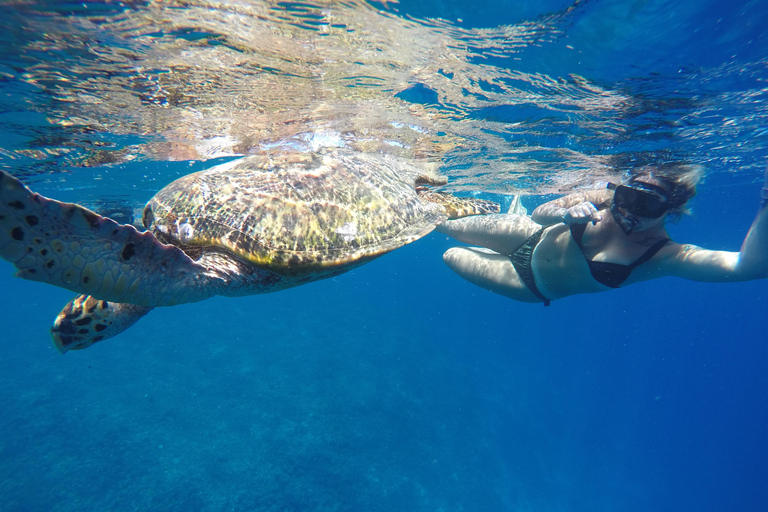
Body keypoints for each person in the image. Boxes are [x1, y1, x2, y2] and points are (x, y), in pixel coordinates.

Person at [435, 165, 768, 305]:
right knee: (440, 222)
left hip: (528, 282)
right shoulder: (599, 198)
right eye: (625, 199)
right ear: (618, 191)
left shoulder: (664, 255)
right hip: (527, 235)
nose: (631, 212)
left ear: (672, 209)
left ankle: (506, 219)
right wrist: (565, 214)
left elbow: (749, 267)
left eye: (648, 206)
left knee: (450, 256)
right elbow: (541, 214)